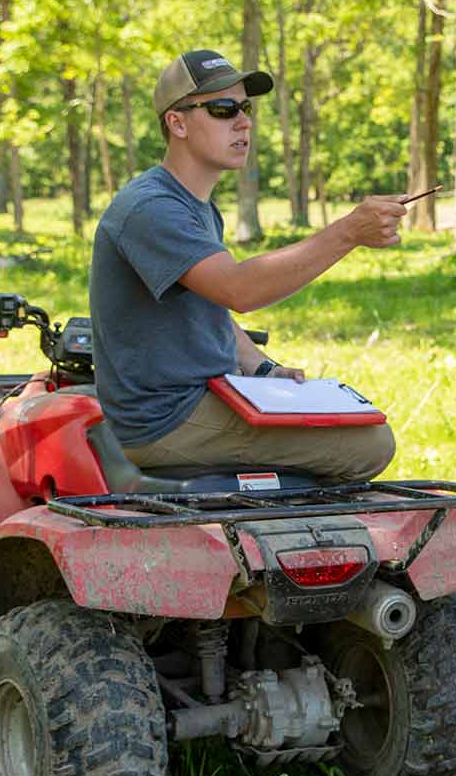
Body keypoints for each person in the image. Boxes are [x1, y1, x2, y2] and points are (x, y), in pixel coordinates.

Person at [90, 49, 404, 483]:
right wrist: (348, 232)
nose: (244, 122)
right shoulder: (151, 208)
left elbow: (210, 305)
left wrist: (262, 368)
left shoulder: (195, 204)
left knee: (356, 423)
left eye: (246, 108)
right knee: (369, 446)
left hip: (207, 395)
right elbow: (239, 291)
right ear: (176, 123)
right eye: (223, 109)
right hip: (166, 421)